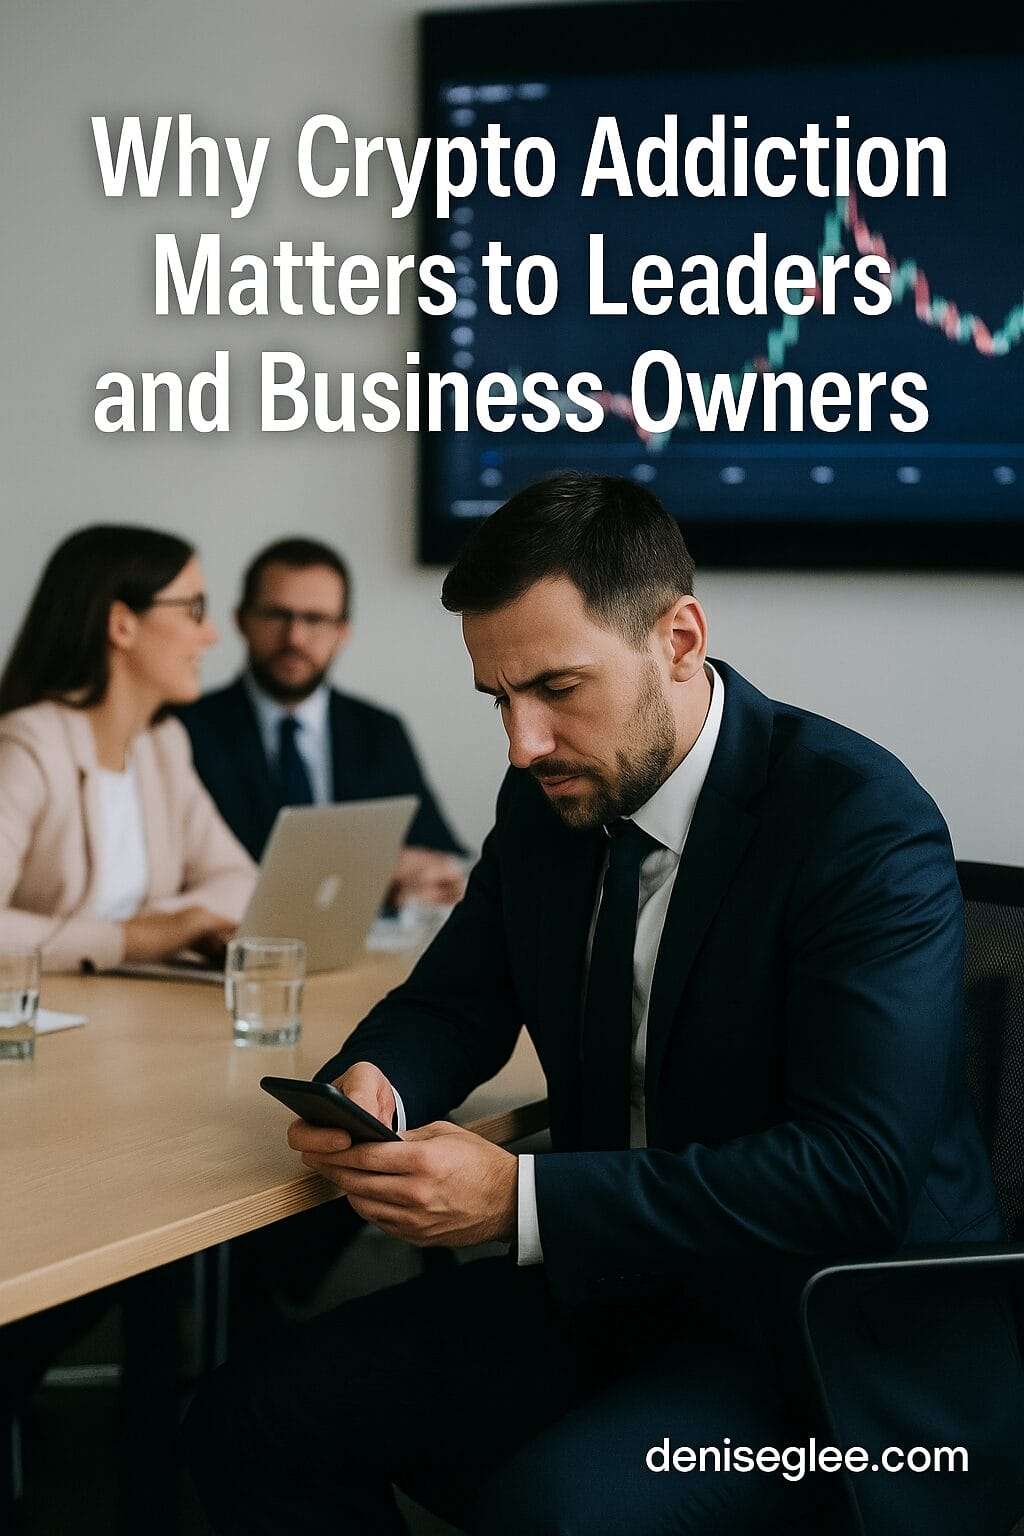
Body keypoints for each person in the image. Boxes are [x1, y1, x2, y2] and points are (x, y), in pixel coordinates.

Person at [183, 474, 1023, 1536]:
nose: (520, 742)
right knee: (247, 1414)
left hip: (819, 1343)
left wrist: (518, 1202)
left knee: (556, 1513)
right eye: (497, 697)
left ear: (678, 638)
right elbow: (451, 1002)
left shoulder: (854, 823)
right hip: (614, 1290)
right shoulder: (550, 799)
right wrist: (378, 1082)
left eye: (556, 688)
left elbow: (851, 1176)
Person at [0, 525, 255, 972]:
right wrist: (136, 938)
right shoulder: (28, 746)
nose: (211, 635)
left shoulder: (162, 746)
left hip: (130, 1016)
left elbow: (241, 882)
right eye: (195, 609)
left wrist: (174, 925)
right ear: (122, 625)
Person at [179, 537, 466, 906]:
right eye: (277, 615)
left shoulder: (379, 731)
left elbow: (440, 855)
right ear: (241, 621)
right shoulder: (183, 730)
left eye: (314, 619)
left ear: (342, 632)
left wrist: (422, 873)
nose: (294, 637)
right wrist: (376, 870)